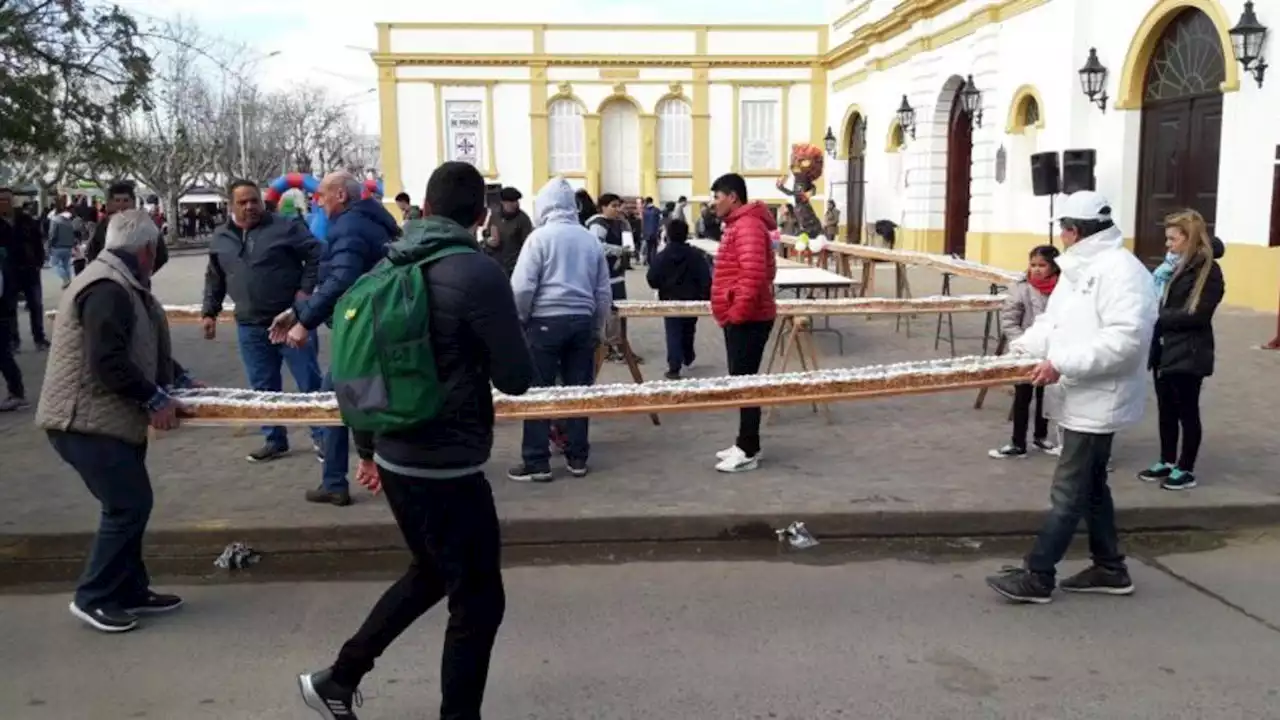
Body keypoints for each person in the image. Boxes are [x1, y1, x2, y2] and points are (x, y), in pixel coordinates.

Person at [297, 161, 533, 720]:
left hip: (396, 456)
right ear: (480, 216)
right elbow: (517, 377)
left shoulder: (388, 262)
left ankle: (339, 677)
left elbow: (360, 363)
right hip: (448, 464)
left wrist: (365, 450)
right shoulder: (478, 273)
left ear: (422, 211)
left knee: (432, 571)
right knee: (478, 600)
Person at [985, 191, 1156, 605]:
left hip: (1099, 398)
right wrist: (1021, 350)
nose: (1060, 236)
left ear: (1074, 231)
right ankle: (1110, 568)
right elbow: (1053, 323)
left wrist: (1062, 363)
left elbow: (1126, 341)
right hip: (1080, 393)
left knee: (1068, 490)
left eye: (1062, 229)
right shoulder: (1082, 269)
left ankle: (1039, 574)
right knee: (1091, 486)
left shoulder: (1121, 272)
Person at [35, 210, 196, 633]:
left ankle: (129, 589)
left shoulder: (122, 282)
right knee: (128, 505)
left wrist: (176, 375)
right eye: (157, 248)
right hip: (83, 421)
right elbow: (108, 361)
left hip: (105, 420)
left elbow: (139, 342)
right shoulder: (107, 287)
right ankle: (94, 596)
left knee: (131, 504)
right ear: (147, 249)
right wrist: (154, 397)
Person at [269, 171, 399, 506]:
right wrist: (298, 312)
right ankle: (342, 478)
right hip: (375, 326)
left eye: (322, 196)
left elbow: (342, 279)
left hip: (362, 331)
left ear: (341, 195)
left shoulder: (349, 226)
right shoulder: (375, 222)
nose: (317, 200)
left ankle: (346, 478)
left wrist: (304, 322)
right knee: (348, 400)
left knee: (338, 401)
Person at [202, 179, 325, 464]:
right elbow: (215, 277)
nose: (250, 207)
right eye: (242, 202)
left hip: (291, 321)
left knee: (309, 384)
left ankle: (323, 437)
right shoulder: (221, 238)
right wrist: (210, 312)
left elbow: (317, 255)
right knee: (263, 387)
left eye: (254, 200)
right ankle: (274, 439)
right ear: (230, 205)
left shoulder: (285, 227)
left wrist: (304, 292)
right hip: (250, 326)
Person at [504, 177, 613, 482]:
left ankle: (537, 461)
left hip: (544, 324)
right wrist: (595, 325)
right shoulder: (589, 239)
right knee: (578, 392)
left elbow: (522, 288)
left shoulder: (539, 239)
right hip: (581, 323)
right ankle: (577, 457)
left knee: (539, 392)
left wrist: (521, 320)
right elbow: (602, 291)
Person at [1139, 210, 1225, 491]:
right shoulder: (1170, 267)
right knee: (1166, 410)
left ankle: (1185, 467)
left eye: (1173, 239)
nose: (1168, 245)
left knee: (1186, 410)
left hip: (1189, 351)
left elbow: (1198, 315)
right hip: (1163, 348)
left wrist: (1157, 316)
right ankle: (1166, 459)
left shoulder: (1207, 270)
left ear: (1189, 239)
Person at [708, 173, 777, 473]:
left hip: (748, 318)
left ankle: (748, 450)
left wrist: (735, 314)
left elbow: (754, 275)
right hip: (743, 316)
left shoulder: (747, 225)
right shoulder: (739, 224)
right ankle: (745, 441)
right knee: (742, 381)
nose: (714, 203)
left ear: (732, 197)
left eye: (717, 196)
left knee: (746, 383)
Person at [989, 245, 1061, 459]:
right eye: (1033, 265)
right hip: (1026, 351)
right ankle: (1017, 442)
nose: (1037, 269)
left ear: (1054, 266)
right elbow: (1009, 320)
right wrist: (1022, 342)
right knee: (1023, 396)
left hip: (1052, 350)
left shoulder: (1064, 288)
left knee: (1046, 395)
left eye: (1042, 265)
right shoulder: (1021, 288)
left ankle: (1041, 436)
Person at [647, 218, 710, 380]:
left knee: (673, 331)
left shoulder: (662, 256)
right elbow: (705, 278)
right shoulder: (696, 255)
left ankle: (674, 366)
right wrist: (704, 296)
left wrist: (661, 286)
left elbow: (652, 278)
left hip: (670, 299)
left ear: (667, 235)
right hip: (692, 299)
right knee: (689, 328)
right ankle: (688, 355)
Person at [0, 187, 48, 353]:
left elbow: (38, 242)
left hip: (30, 269)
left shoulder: (25, 220)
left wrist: (39, 262)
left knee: (35, 305)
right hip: (8, 272)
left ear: (13, 201)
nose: (4, 203)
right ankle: (14, 340)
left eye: (7, 199)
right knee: (9, 307)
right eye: (1, 200)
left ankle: (39, 338)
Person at [586, 193, 632, 362]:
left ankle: (620, 344)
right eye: (613, 206)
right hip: (605, 277)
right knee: (610, 312)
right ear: (603, 207)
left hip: (618, 274)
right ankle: (609, 347)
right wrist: (619, 250)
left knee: (621, 311)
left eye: (618, 205)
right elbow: (597, 246)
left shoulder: (619, 223)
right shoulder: (598, 224)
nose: (617, 209)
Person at [87, 182, 169, 274]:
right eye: (117, 200)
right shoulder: (103, 226)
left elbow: (162, 255)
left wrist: (143, 274)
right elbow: (92, 253)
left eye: (126, 200)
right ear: (110, 203)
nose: (121, 204)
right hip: (108, 278)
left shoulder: (145, 224)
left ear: (133, 203)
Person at [483, 186, 534, 277]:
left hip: (514, 268)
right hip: (496, 265)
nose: (516, 204)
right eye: (512, 202)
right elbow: (487, 235)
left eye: (517, 201)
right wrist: (490, 241)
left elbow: (528, 246)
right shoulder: (495, 216)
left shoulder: (523, 219)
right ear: (503, 202)